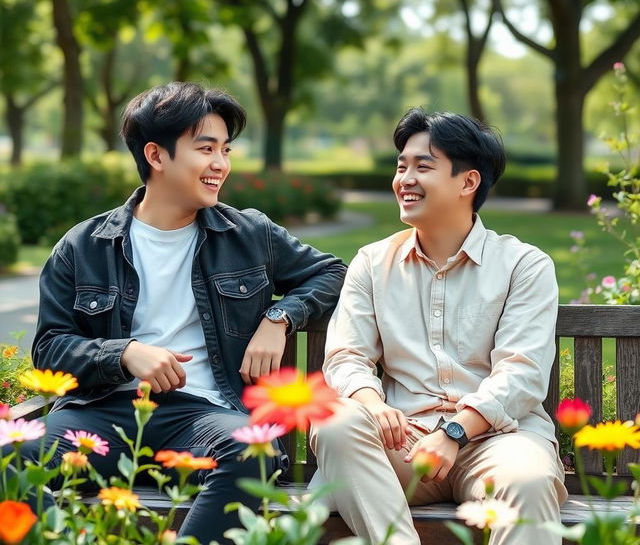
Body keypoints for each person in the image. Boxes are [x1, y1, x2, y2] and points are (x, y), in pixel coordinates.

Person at [25, 82, 346, 544]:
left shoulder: (249, 233)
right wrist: (124, 354)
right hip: (101, 416)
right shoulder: (83, 246)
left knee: (251, 450)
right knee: (11, 459)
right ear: (156, 156)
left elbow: (333, 272)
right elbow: (50, 348)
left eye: (226, 150)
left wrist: (280, 318)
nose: (221, 164)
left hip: (204, 415)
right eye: (206, 148)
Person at [310, 109, 567, 545]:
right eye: (401, 165)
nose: (405, 179)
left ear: (468, 182)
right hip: (402, 443)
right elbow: (346, 357)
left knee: (529, 480)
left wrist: (455, 431)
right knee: (336, 422)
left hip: (497, 442)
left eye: (423, 167)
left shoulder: (523, 265)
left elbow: (521, 373)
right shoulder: (372, 263)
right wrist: (373, 405)